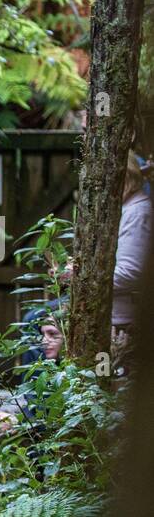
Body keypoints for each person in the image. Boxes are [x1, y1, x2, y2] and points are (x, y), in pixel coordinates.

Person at [112, 153, 150, 372]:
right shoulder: (126, 208)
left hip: (123, 318)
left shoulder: (137, 212)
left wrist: (80, 279)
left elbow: (130, 272)